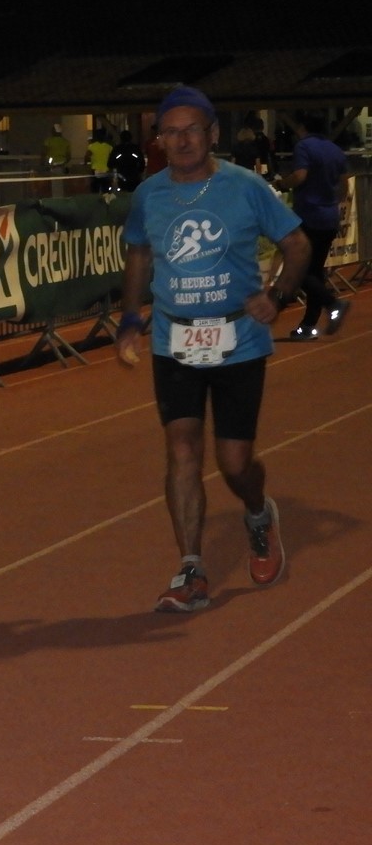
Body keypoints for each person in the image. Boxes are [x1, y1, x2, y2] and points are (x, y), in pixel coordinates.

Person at [116, 85, 310, 614]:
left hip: (239, 341)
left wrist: (278, 295)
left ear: (213, 133)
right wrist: (130, 318)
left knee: (234, 463)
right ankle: (190, 568)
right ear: (159, 139)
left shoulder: (245, 187)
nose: (181, 140)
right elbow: (138, 253)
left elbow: (297, 244)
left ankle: (258, 512)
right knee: (181, 449)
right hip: (174, 340)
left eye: (191, 130)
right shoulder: (149, 194)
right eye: (170, 132)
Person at [275, 114, 351, 340]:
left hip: (308, 215)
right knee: (315, 272)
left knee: (298, 269)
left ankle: (333, 303)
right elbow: (344, 186)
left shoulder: (304, 146)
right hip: (329, 217)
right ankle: (308, 325)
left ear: (302, 127)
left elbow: (300, 175)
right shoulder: (335, 150)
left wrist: (282, 183)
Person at [86, 125, 115, 192]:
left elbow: (87, 156)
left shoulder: (91, 146)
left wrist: (86, 163)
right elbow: (112, 158)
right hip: (106, 169)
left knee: (95, 188)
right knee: (106, 188)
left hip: (95, 169)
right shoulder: (109, 147)